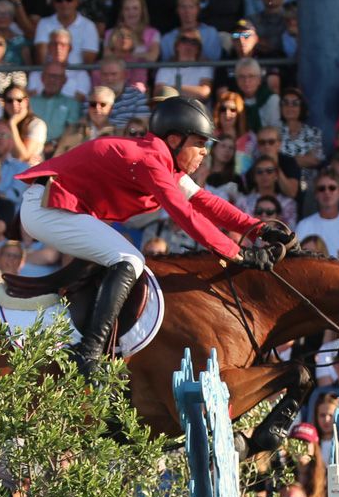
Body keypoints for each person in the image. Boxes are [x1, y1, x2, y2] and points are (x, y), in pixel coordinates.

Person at [14, 97, 282, 375]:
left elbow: (207, 202)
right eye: (199, 143)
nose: (205, 151)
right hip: (46, 208)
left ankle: (92, 344)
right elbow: (185, 216)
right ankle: (88, 351)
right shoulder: (150, 161)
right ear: (175, 140)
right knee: (130, 258)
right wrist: (237, 253)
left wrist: (259, 229)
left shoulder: (162, 162)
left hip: (57, 207)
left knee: (124, 258)